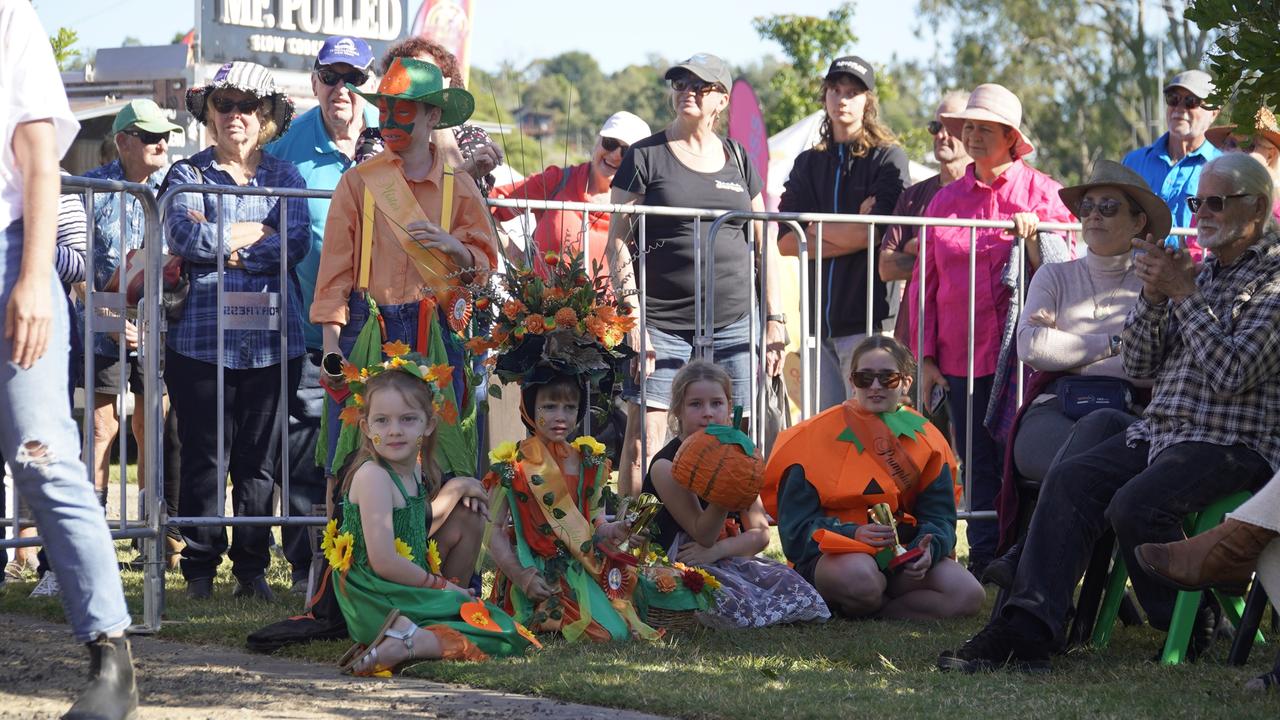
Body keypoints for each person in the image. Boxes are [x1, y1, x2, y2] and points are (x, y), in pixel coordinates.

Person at [938, 152, 1280, 673]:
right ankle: (1028, 629)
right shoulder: (1205, 272)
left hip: (1231, 443)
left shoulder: (1274, 280)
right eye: (1197, 201)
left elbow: (1232, 375)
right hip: (1161, 431)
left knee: (1131, 502)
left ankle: (1193, 618)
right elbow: (1141, 361)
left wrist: (1181, 293)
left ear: (1256, 209)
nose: (1203, 213)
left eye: (1216, 202)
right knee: (1073, 476)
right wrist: (1154, 296)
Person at [0, 1, 137, 716]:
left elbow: (35, 156)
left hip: (8, 252)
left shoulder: (8, 16)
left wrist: (30, 277)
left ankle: (110, 657)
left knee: (42, 450)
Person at [163, 60, 311, 601]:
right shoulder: (185, 175)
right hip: (200, 342)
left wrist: (223, 242)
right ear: (208, 112)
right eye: (224, 105)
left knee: (259, 463)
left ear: (265, 116)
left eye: (247, 106)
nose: (235, 116)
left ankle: (251, 570)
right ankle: (199, 569)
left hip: (276, 342)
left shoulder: (287, 177)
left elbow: (293, 244)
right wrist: (256, 233)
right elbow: (184, 237)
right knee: (204, 456)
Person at [311, 57, 496, 488]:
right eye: (385, 108)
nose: (390, 119)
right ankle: (354, 549)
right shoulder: (358, 183)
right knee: (357, 449)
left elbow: (485, 268)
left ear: (433, 116)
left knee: (440, 450)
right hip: (368, 326)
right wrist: (331, 347)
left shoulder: (460, 185)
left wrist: (458, 250)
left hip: (438, 330)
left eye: (404, 108)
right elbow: (334, 273)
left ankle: (432, 546)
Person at [983, 160, 1169, 588]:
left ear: (1138, 221)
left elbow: (1154, 366)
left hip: (1129, 416)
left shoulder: (1155, 281)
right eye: (1087, 208)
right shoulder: (1054, 274)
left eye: (1108, 207)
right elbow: (1031, 346)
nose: (1095, 216)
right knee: (1086, 454)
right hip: (1053, 410)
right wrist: (1114, 343)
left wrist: (1068, 349)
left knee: (1097, 439)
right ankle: (1065, 576)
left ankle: (1028, 556)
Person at [608, 53, 786, 497]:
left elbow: (765, 241)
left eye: (700, 85)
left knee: (739, 438)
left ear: (721, 100)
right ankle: (639, 543)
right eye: (680, 82)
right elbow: (615, 242)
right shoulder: (643, 155)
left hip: (734, 320)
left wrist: (775, 319)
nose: (686, 90)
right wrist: (634, 319)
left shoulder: (739, 158)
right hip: (661, 322)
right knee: (644, 439)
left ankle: (733, 540)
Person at [916, 83, 1074, 575]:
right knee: (977, 461)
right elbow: (926, 282)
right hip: (958, 353)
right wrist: (923, 358)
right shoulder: (944, 199)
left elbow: (1065, 270)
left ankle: (1027, 551)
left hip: (1027, 355)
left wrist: (1035, 241)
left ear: (1011, 136)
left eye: (985, 128)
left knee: (1023, 456)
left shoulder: (1044, 193)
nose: (972, 134)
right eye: (968, 126)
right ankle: (985, 555)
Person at [330, 354, 534, 675]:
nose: (395, 430)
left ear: (429, 424)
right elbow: (383, 561)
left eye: (408, 419)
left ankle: (417, 633)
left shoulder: (413, 470)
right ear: (367, 428)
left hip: (403, 586)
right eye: (382, 421)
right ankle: (414, 641)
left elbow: (412, 527)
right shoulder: (373, 476)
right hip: (376, 598)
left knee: (497, 624)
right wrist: (441, 587)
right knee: (499, 633)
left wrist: (458, 490)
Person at [266, 35, 378, 593]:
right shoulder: (289, 146)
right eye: (330, 77)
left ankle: (378, 560)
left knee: (383, 443)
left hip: (388, 327)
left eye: (352, 78)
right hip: (314, 327)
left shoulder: (393, 134)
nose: (341, 89)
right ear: (314, 82)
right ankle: (308, 563)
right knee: (312, 447)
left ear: (368, 83)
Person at [763, 336, 982, 619]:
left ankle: (876, 608)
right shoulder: (810, 438)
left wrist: (926, 550)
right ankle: (862, 597)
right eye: (865, 378)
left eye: (887, 378)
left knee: (969, 595)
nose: (875, 386)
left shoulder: (928, 440)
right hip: (837, 560)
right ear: (852, 381)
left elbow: (940, 518)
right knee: (863, 578)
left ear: (905, 382)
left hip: (899, 561)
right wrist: (851, 534)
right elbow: (795, 534)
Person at [642, 359, 830, 628]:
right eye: (696, 404)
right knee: (711, 596)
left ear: (730, 409)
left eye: (716, 403)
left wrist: (720, 549)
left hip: (717, 555)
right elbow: (702, 533)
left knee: (789, 584)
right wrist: (725, 488)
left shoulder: (738, 455)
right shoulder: (666, 465)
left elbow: (761, 533)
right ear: (678, 411)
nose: (708, 413)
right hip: (678, 559)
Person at [82, 99, 185, 573]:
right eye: (147, 135)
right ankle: (88, 542)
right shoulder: (91, 188)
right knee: (102, 429)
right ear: (123, 140)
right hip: (102, 326)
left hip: (157, 323)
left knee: (154, 427)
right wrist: (108, 314)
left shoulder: (174, 188)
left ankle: (153, 540)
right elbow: (74, 264)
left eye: (163, 134)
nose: (158, 142)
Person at [778, 56, 910, 409]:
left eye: (852, 92)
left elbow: (877, 234)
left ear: (868, 100)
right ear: (825, 96)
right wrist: (854, 223)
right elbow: (787, 241)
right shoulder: (808, 162)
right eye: (835, 90)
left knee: (870, 427)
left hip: (867, 322)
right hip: (815, 325)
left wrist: (816, 228)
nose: (842, 99)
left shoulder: (888, 158)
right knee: (827, 431)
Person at [491, 111, 652, 273]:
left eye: (627, 152)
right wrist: (523, 265)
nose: (616, 155)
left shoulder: (644, 201)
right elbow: (487, 207)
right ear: (597, 141)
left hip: (613, 299)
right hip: (548, 298)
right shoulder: (557, 180)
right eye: (610, 143)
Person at [881, 91, 971, 349]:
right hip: (914, 337)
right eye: (936, 126)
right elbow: (887, 266)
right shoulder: (913, 196)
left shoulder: (984, 195)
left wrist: (916, 246)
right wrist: (943, 254)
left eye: (952, 127)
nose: (942, 135)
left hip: (967, 342)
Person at [379, 37, 504, 192]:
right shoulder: (375, 136)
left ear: (445, 82)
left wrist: (438, 104)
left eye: (423, 72)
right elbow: (374, 185)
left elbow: (471, 193)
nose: (410, 77)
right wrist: (463, 173)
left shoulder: (470, 135)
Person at [1123, 70, 1221, 251]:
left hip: (1198, 276)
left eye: (1191, 101)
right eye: (1173, 98)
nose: (1180, 108)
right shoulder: (1133, 162)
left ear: (1214, 112)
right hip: (1136, 272)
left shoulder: (1224, 167)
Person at [1205, 106, 1280, 223]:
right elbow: (1194, 239)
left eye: (1248, 146)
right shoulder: (1208, 199)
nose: (1237, 153)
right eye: (1231, 144)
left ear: (1270, 156)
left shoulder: (1277, 209)